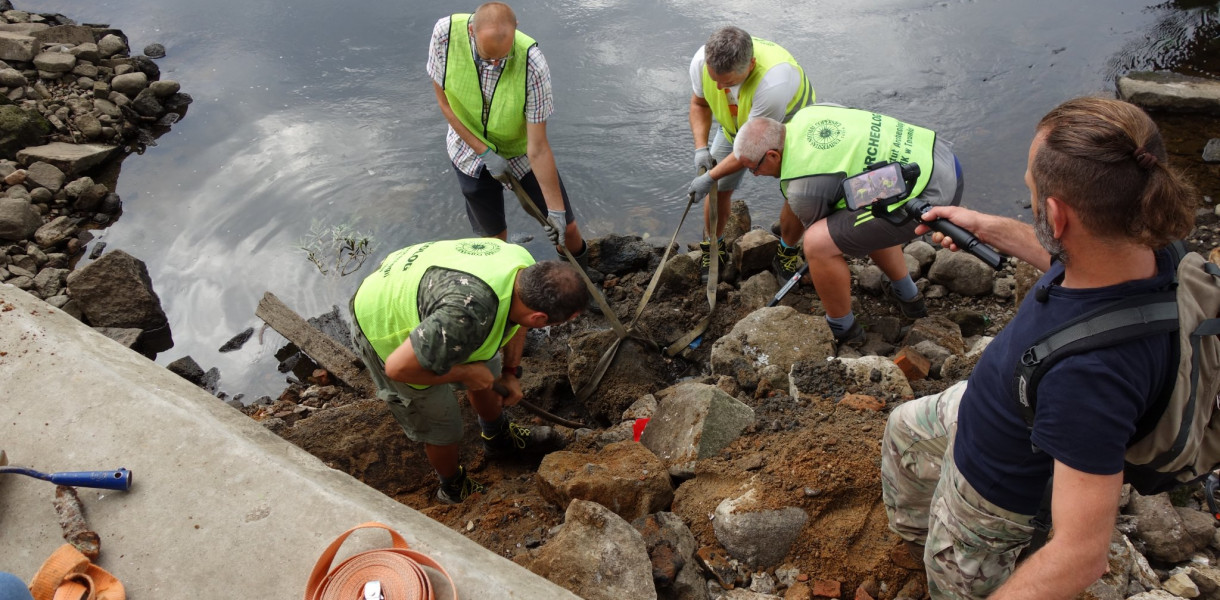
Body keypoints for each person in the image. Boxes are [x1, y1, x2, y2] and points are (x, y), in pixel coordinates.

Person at [880, 97, 1197, 598]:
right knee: (904, 427)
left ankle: (947, 555)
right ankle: (916, 537)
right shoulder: (1150, 243)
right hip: (989, 406)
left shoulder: (1090, 378)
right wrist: (983, 227)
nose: (1027, 194)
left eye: (1030, 187)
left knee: (956, 575)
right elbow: (1065, 256)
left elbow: (1080, 554)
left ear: (1055, 214)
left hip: (991, 494)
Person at [350, 238, 588, 504]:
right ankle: (452, 487)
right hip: (383, 321)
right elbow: (397, 368)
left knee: (489, 370)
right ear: (540, 319)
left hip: (436, 298)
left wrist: (510, 372)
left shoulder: (525, 268)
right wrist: (464, 373)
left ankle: (497, 438)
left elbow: (520, 323)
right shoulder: (466, 317)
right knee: (444, 425)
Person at [732, 105, 963, 344]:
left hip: (934, 196)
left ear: (772, 155)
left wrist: (817, 264)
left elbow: (829, 237)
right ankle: (909, 297)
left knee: (818, 244)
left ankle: (843, 327)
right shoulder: (808, 114)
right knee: (860, 212)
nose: (755, 175)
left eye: (753, 168)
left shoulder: (803, 189)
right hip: (939, 157)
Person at [427, 2, 592, 273]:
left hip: (521, 151)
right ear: (471, 31)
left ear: (516, 30)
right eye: (486, 58)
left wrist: (556, 211)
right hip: (467, 149)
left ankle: (582, 278)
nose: (493, 66)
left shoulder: (533, 65)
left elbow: (538, 147)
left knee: (566, 229)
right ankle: (502, 287)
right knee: (492, 238)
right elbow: (444, 103)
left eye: (502, 60)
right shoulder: (445, 35)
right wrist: (482, 150)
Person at [685, 26, 814, 281]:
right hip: (736, 127)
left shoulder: (773, 81)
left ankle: (787, 252)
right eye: (715, 79)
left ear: (751, 64)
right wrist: (701, 148)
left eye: (729, 82)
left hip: (791, 130)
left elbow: (751, 149)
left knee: (798, 192)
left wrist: (709, 175)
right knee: (718, 186)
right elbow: (699, 104)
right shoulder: (701, 61)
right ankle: (714, 247)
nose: (720, 87)